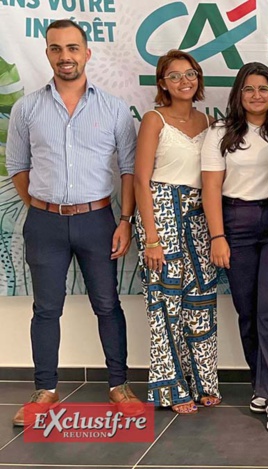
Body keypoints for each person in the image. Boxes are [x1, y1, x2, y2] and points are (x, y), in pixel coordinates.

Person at [6, 19, 142, 426]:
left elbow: (130, 170)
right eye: (56, 49)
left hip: (99, 221)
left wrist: (125, 220)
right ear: (48, 53)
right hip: (45, 224)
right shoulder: (26, 108)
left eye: (72, 48)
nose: (65, 56)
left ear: (87, 52)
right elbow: (17, 166)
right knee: (46, 310)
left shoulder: (114, 108)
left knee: (107, 304)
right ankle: (44, 389)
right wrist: (42, 205)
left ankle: (118, 384)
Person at [202, 62, 268, 433]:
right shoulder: (220, 133)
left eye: (263, 88)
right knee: (248, 312)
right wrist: (217, 236)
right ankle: (261, 381)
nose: (256, 95)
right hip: (235, 224)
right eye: (248, 89)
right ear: (237, 94)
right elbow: (211, 188)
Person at [133, 49, 220, 414]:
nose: (184, 81)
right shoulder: (154, 120)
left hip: (199, 215)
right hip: (162, 211)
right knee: (165, 303)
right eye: (175, 75)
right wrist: (151, 238)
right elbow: (140, 179)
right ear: (162, 83)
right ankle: (170, 389)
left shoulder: (209, 121)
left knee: (200, 301)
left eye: (191, 74)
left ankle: (203, 382)